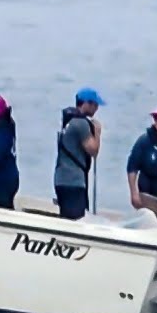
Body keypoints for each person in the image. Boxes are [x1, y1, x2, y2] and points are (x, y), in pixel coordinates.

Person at [53, 87, 104, 219]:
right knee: (77, 220)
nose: (97, 109)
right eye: (95, 105)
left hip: (61, 178)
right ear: (86, 103)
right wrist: (97, 132)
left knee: (66, 217)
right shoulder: (81, 124)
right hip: (73, 181)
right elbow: (93, 150)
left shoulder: (69, 120)